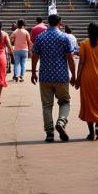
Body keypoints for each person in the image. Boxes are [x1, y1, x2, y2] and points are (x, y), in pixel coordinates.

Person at [31, 14, 76, 143]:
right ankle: (61, 122)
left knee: (46, 105)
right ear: (60, 23)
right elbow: (70, 59)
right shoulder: (64, 37)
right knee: (65, 101)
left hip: (45, 76)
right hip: (61, 76)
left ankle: (49, 133)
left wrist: (34, 72)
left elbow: (34, 56)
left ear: (48, 23)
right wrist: (74, 75)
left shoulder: (40, 37)